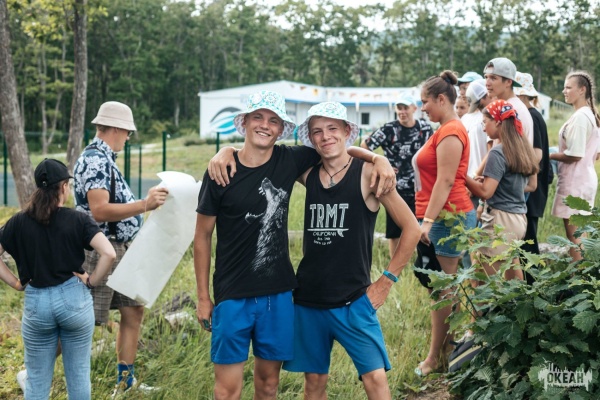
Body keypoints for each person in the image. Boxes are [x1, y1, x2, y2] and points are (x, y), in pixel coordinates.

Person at [194, 91, 395, 400]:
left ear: (281, 129)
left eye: (273, 120)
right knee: (226, 391)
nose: (265, 125)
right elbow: (202, 236)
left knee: (268, 386)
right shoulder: (221, 172)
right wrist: (203, 297)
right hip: (231, 294)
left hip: (278, 295)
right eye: (258, 117)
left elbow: (336, 149)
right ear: (244, 122)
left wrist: (377, 158)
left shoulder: (289, 159)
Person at [282, 102, 420, 399]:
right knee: (314, 381)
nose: (325, 136)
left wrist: (386, 282)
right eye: (317, 131)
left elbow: (412, 229)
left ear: (347, 131)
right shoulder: (308, 174)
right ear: (310, 137)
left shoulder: (368, 174)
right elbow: (264, 154)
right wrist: (226, 151)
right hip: (308, 299)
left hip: (355, 300)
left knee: (375, 378)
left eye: (333, 128)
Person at [74, 101, 169, 395]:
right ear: (115, 128)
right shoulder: (95, 160)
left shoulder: (105, 158)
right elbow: (99, 210)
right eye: (127, 132)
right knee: (83, 319)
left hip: (121, 249)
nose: (128, 137)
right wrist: (144, 204)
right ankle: (32, 370)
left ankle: (126, 384)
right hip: (101, 250)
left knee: (133, 310)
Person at [0, 159, 116, 399]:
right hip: (74, 301)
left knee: (36, 381)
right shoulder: (78, 219)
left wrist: (15, 283)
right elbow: (109, 253)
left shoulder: (18, 222)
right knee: (78, 375)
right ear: (63, 187)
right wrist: (92, 281)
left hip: (37, 303)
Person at [412, 70, 477, 377]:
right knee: (443, 289)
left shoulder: (451, 131)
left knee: (443, 291)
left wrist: (427, 221)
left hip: (447, 217)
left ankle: (435, 358)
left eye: (425, 102)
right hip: (440, 216)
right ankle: (448, 349)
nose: (422, 108)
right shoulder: (444, 129)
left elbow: (447, 180)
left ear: (441, 99)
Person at [465, 100, 538, 280]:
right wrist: (498, 184)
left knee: (481, 281)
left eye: (485, 122)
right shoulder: (523, 147)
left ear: (497, 122)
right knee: (513, 276)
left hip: (500, 221)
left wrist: (462, 176)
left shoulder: (497, 153)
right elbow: (531, 185)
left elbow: (485, 192)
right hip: (519, 219)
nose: (483, 128)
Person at [360, 94, 433, 257]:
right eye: (399, 108)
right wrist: (379, 164)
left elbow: (434, 151)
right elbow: (364, 147)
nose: (402, 112)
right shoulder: (389, 129)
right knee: (395, 230)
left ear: (414, 109)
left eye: (405, 108)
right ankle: (395, 263)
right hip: (394, 186)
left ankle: (417, 260)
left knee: (418, 226)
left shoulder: (425, 129)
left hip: (419, 187)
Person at [550, 71, 600, 261]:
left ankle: (578, 275)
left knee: (575, 238)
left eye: (568, 87)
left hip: (575, 182)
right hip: (584, 179)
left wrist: (549, 155)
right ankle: (583, 273)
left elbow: (575, 154)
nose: (564, 91)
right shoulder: (590, 115)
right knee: (580, 235)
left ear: (582, 90)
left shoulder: (580, 118)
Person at [513, 72, 551, 282]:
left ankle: (533, 286)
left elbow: (537, 155)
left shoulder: (531, 117)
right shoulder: (532, 115)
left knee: (528, 242)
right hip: (531, 187)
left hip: (531, 188)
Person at [483, 58, 535, 146]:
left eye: (493, 78)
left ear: (508, 82)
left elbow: (511, 151)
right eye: (486, 77)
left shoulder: (512, 110)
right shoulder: (504, 107)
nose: (487, 83)